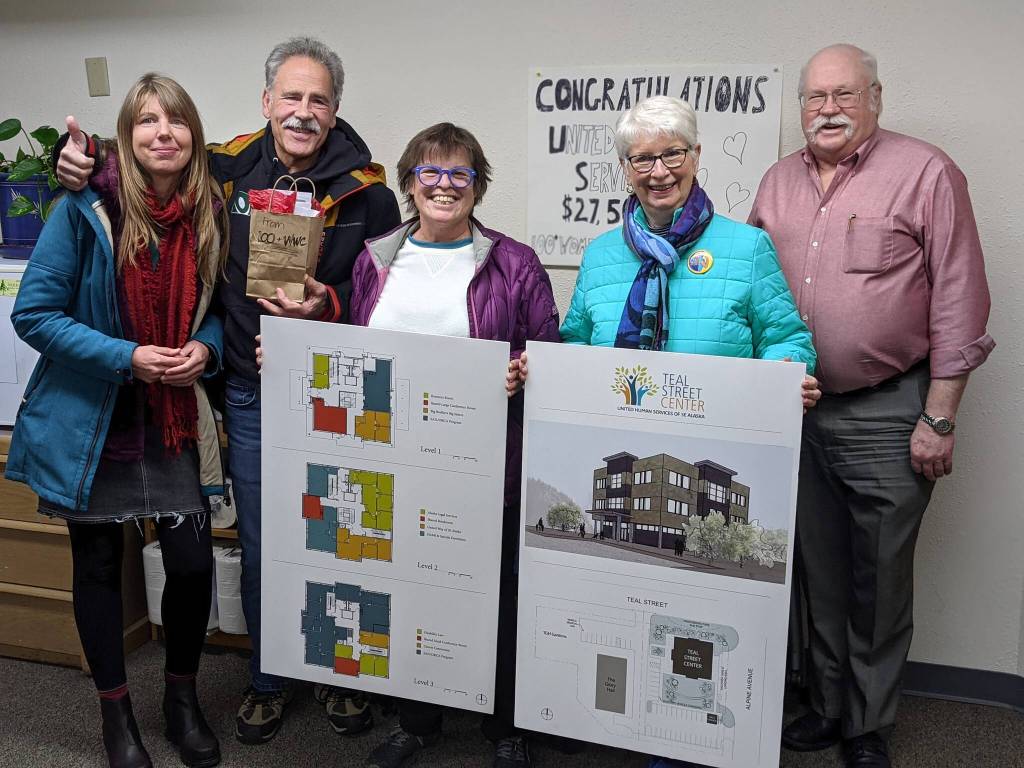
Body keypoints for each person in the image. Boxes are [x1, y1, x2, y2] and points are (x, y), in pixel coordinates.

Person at [57, 37, 402, 745]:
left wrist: (327, 307)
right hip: (249, 390)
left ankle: (340, 679)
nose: (303, 112)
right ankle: (270, 678)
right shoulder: (227, 169)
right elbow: (149, 161)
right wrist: (84, 156)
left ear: (335, 111)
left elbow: (386, 296)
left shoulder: (370, 192)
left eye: (319, 101)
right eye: (292, 97)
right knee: (264, 539)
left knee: (344, 542)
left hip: (341, 394)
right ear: (267, 101)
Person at [518, 95, 819, 768]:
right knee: (624, 600)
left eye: (671, 153)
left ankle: (693, 737)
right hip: (630, 457)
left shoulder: (746, 248)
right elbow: (576, 345)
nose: (658, 170)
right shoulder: (600, 257)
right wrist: (539, 372)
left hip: (712, 462)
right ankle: (625, 720)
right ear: (624, 168)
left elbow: (787, 338)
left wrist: (786, 378)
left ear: (696, 155)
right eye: (642, 158)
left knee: (702, 606)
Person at [749, 44, 993, 768]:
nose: (827, 109)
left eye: (844, 95)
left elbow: (960, 297)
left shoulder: (926, 172)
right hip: (795, 410)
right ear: (800, 108)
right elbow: (750, 290)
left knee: (879, 575)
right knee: (817, 571)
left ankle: (866, 723)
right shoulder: (776, 182)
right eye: (815, 97)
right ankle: (825, 706)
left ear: (876, 100)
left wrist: (939, 415)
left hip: (890, 410)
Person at [7, 73, 227, 768]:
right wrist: (127, 356)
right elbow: (33, 315)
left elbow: (218, 306)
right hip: (94, 420)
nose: (164, 132)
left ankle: (182, 699)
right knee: (98, 566)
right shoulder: (83, 208)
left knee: (192, 566)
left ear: (194, 134)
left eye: (177, 120)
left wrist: (208, 346)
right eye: (147, 120)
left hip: (173, 420)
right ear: (125, 138)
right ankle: (116, 717)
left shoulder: (209, 210)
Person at [348, 122, 561, 768]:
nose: (444, 185)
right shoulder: (375, 258)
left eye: (459, 173)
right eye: (430, 173)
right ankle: (417, 719)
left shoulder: (513, 261)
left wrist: (525, 371)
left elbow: (549, 353)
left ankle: (505, 728)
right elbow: (355, 349)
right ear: (410, 182)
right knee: (410, 591)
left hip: (486, 464)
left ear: (478, 185)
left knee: (495, 594)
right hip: (397, 461)